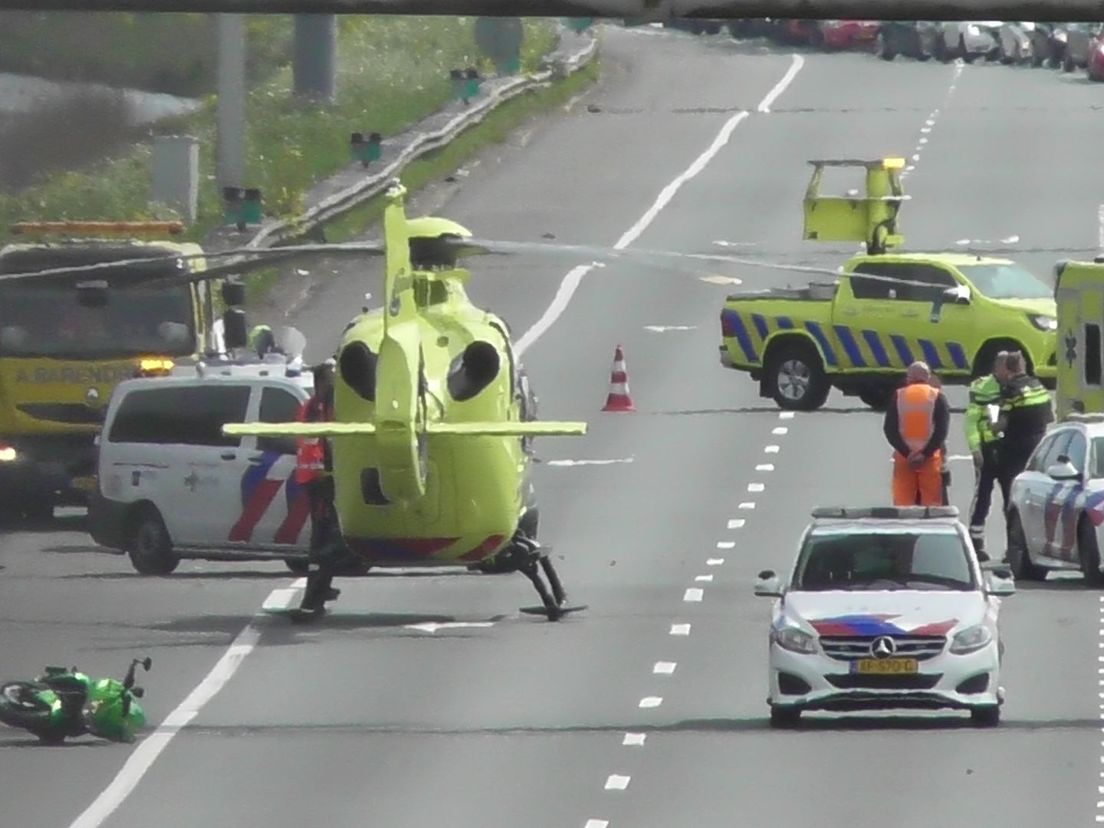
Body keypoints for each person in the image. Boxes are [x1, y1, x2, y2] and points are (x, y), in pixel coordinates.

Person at [295, 358, 343, 615]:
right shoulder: (316, 409)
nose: (336, 384)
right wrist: (325, 473)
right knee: (325, 541)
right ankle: (312, 598)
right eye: (331, 379)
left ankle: (321, 589)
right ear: (321, 383)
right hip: (319, 480)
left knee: (327, 537)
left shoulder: (320, 406)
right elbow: (316, 445)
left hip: (321, 478)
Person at [883, 361, 950, 507]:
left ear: (909, 377)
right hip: (930, 460)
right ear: (928, 377)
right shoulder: (937, 396)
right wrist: (924, 453)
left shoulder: (898, 396)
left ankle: (903, 528)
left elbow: (890, 429)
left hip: (904, 459)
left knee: (904, 505)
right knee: (931, 506)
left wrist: (907, 453)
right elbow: (941, 431)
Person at [993, 350, 1054, 510]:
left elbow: (1001, 425)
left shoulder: (1010, 390)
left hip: (1015, 451)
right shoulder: (1038, 385)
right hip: (1039, 449)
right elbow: (1049, 418)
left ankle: (1013, 530)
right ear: (1023, 366)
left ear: (1007, 368)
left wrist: (989, 426)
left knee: (1012, 498)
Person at [963, 352, 1008, 561]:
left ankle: (1014, 546)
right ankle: (975, 542)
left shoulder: (1017, 386)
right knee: (983, 497)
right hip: (987, 450)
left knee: (1012, 499)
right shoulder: (982, 387)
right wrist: (975, 449)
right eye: (1003, 366)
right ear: (996, 367)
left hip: (1010, 450)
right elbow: (971, 421)